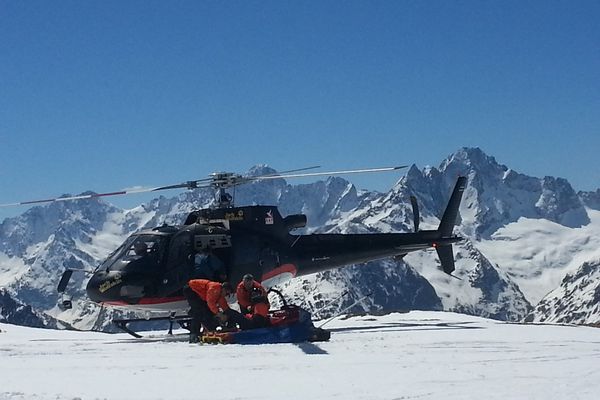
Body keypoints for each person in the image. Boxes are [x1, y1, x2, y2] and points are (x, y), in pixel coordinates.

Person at [183, 279, 248, 343]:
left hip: (198, 293)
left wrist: (228, 315)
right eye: (226, 293)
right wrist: (219, 314)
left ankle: (210, 328)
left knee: (205, 311)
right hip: (190, 289)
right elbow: (210, 303)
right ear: (224, 289)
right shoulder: (214, 288)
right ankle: (194, 334)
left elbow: (225, 307)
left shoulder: (220, 293)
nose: (226, 295)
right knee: (198, 311)